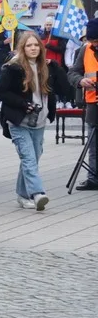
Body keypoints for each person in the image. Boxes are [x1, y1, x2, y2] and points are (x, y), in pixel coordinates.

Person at [0, 31, 71, 211]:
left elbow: (65, 89)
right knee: (29, 158)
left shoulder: (47, 67)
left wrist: (56, 67)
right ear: (23, 48)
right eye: (29, 45)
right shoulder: (13, 68)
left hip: (40, 120)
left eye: (36, 45)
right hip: (18, 120)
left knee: (33, 159)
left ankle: (22, 195)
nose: (33, 48)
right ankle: (37, 194)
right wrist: (23, 104)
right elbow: (1, 93)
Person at [67, 19, 98, 191]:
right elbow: (72, 72)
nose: (94, 44)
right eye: (92, 41)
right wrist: (80, 81)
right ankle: (93, 177)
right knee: (93, 142)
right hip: (93, 102)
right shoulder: (85, 49)